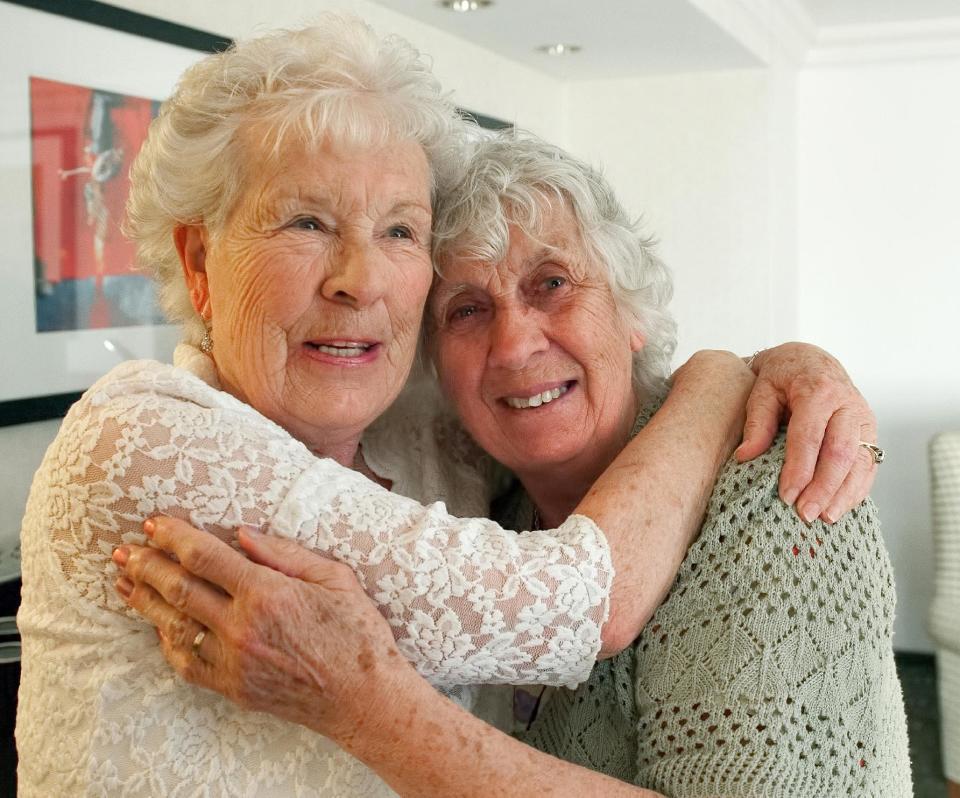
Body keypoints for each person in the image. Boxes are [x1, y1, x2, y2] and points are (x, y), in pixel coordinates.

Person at [17, 16, 875, 798]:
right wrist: (722, 376)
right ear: (200, 263)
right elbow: (579, 600)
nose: (359, 281)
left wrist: (769, 364)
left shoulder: (434, 445)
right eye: (307, 222)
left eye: (399, 231)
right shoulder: (146, 432)